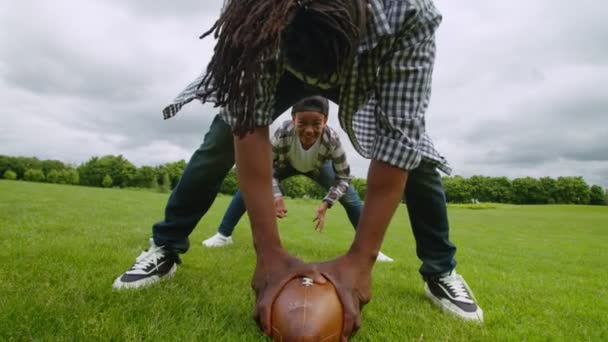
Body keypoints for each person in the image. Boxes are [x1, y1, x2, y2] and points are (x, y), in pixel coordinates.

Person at [113, 0, 483, 339]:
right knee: (220, 138)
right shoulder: (253, 10)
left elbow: (398, 139)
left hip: (361, 60)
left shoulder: (410, 13)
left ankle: (441, 270)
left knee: (415, 153)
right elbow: (249, 127)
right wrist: (267, 251)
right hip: (275, 46)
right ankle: (165, 245)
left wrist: (361, 260)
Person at [202, 96, 394, 262]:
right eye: (302, 123)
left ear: (325, 121)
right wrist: (275, 196)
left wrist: (327, 203)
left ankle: (371, 249)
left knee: (352, 199)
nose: (309, 131)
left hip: (319, 167)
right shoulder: (283, 133)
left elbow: (343, 177)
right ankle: (223, 235)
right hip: (287, 165)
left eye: (316, 124)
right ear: (293, 119)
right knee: (249, 189)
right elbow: (265, 169)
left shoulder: (332, 139)